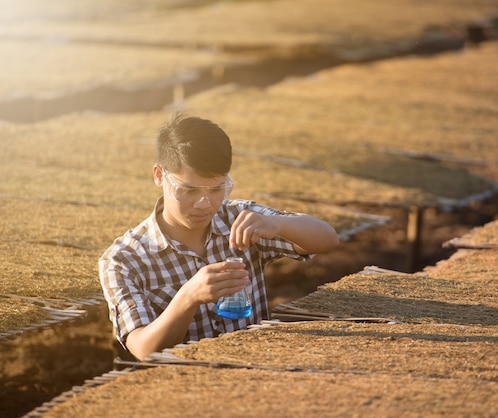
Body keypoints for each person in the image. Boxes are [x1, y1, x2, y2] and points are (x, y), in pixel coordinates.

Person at [99, 114, 339, 360]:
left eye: (216, 189)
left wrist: (278, 223)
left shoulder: (239, 217)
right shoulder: (123, 260)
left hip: (259, 372)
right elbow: (143, 348)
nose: (204, 204)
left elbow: (328, 240)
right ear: (159, 175)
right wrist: (188, 297)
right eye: (188, 190)